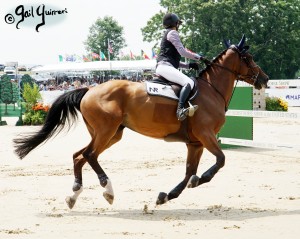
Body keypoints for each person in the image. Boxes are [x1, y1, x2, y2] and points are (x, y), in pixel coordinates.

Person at [156, 13, 203, 121]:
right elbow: (182, 52)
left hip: (164, 66)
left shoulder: (167, 33)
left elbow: (174, 62)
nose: (179, 26)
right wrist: (198, 57)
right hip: (165, 67)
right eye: (178, 24)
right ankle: (180, 110)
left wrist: (188, 65)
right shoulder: (173, 33)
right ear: (175, 23)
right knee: (189, 82)